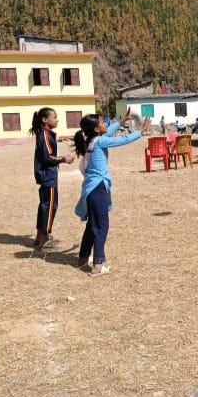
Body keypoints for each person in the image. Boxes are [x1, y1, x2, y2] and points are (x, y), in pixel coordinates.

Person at [74, 109, 151, 275]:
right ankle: (98, 264)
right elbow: (122, 140)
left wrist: (121, 122)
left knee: (92, 225)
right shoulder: (100, 142)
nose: (105, 124)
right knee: (101, 226)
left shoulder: (90, 140)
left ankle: (82, 258)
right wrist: (141, 131)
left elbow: (108, 131)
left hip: (90, 188)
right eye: (102, 122)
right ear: (96, 129)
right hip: (98, 188)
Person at [29, 107, 74, 250]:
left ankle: (38, 236)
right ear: (45, 120)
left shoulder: (45, 134)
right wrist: (64, 158)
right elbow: (47, 157)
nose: (57, 119)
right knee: (50, 206)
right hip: (48, 176)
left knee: (44, 205)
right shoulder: (45, 134)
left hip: (45, 175)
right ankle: (45, 238)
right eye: (54, 117)